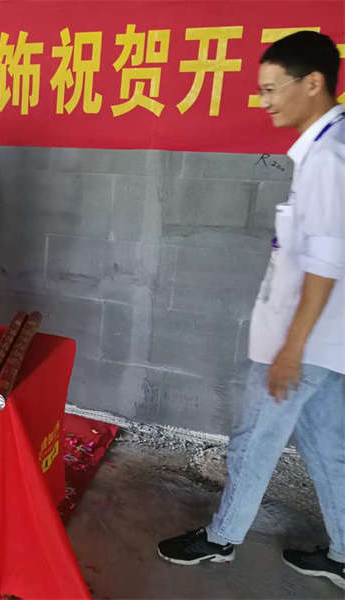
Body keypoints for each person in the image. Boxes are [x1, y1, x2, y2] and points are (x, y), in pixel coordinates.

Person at [157, 31, 345, 591]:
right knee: (327, 446)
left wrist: (291, 349)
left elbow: (325, 263)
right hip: (324, 343)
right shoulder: (328, 146)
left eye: (271, 89)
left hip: (303, 343)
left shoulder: (329, 158)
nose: (264, 101)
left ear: (312, 83)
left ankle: (221, 539)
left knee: (253, 441)